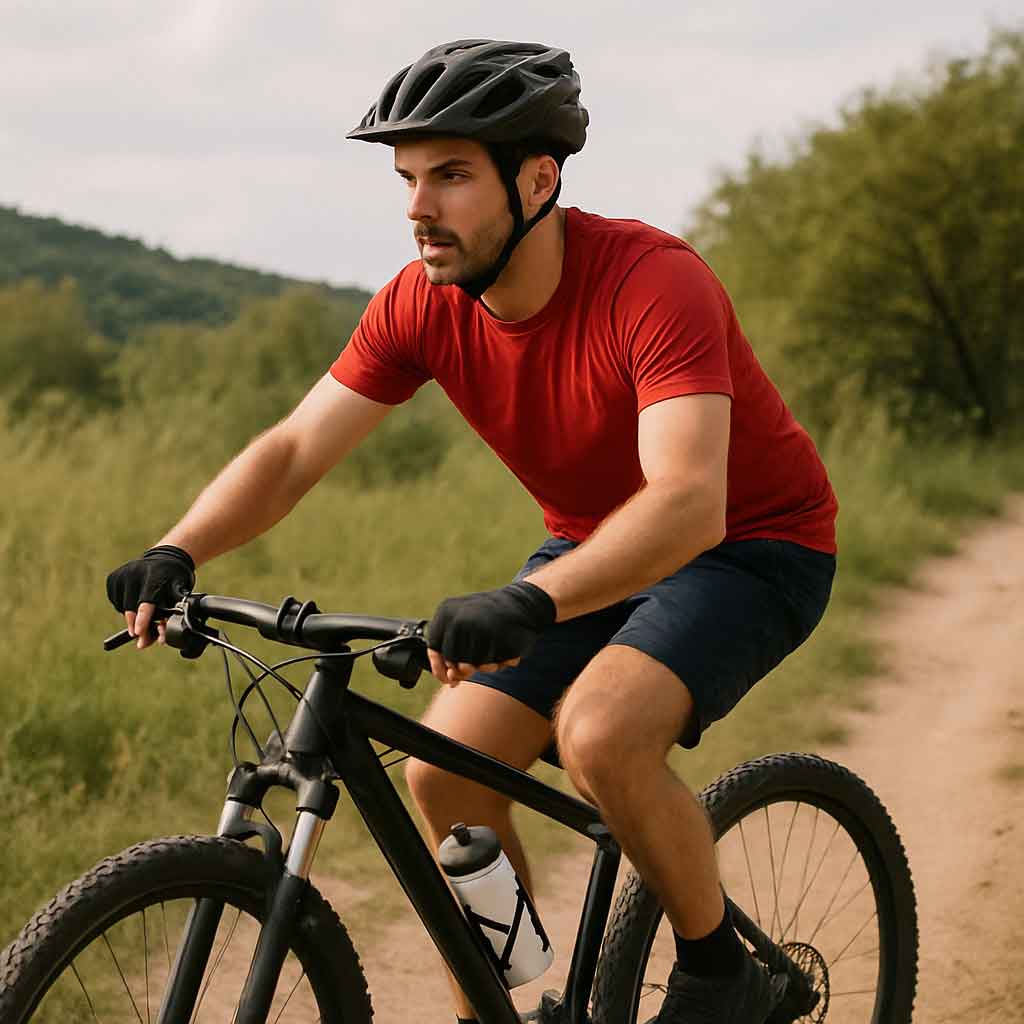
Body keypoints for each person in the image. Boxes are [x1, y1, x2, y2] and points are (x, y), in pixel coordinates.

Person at [106, 39, 838, 1024]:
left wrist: (530, 598)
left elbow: (684, 501)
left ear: (537, 180)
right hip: (592, 544)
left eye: (449, 175)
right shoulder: (421, 303)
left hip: (753, 543)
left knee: (601, 733)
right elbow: (291, 451)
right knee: (444, 768)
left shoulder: (652, 281)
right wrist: (178, 548)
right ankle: (503, 1000)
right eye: (407, 177)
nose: (417, 207)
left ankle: (721, 972)